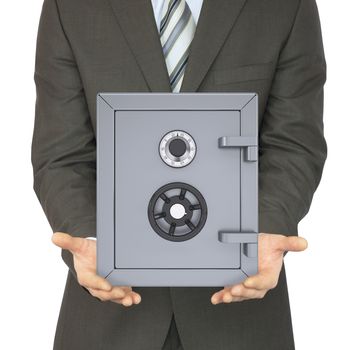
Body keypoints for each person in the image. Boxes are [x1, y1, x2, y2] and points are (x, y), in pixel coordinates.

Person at [31, 0, 327, 349]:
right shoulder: (71, 6)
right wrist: (92, 243)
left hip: (240, 315)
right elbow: (62, 153)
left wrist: (263, 233)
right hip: (108, 320)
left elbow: (293, 142)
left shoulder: (285, 6)